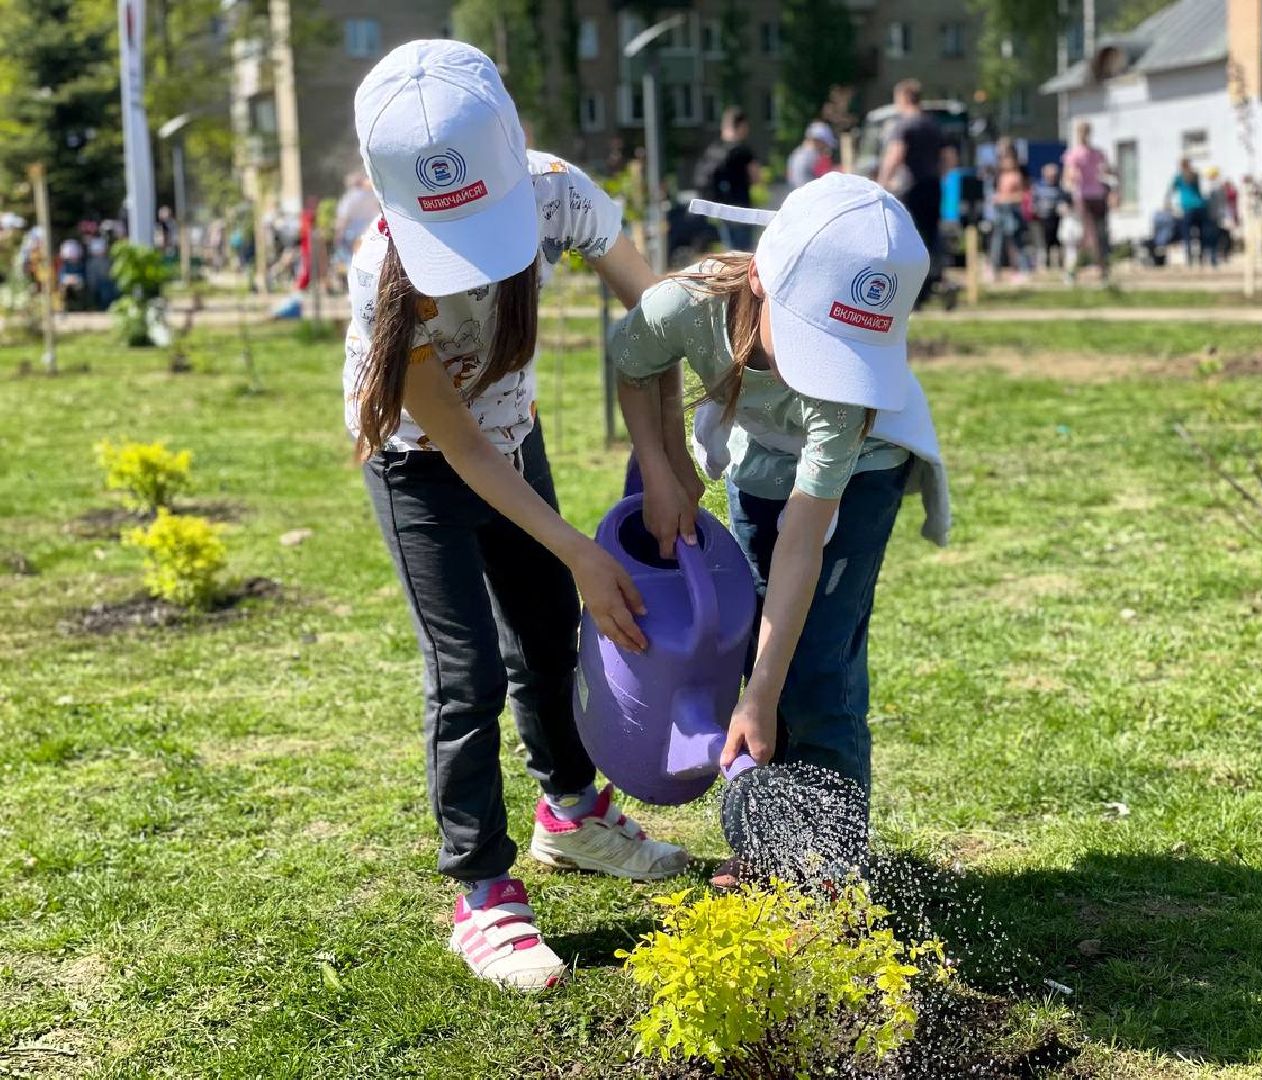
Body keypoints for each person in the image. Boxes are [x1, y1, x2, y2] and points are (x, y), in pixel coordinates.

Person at [345, 40, 693, 992]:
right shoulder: (382, 269)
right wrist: (580, 548)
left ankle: (572, 816)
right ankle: (482, 892)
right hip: (423, 469)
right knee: (465, 678)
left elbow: (657, 317)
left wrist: (671, 459)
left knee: (548, 643)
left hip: (516, 439)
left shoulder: (557, 192)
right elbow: (457, 447)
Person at [610, 172, 950, 882]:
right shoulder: (688, 304)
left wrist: (761, 695)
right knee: (755, 637)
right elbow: (633, 364)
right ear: (760, 279)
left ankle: (830, 869)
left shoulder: (841, 398)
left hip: (859, 476)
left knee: (816, 665)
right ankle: (772, 851)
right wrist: (664, 469)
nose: (816, 370)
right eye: (807, 341)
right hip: (758, 461)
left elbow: (805, 536)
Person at [877, 79, 944, 305]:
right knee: (931, 237)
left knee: (908, 238)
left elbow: (896, 154)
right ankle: (930, 286)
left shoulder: (904, 125)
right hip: (933, 185)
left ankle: (912, 292)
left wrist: (881, 183)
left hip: (910, 187)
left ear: (903, 98)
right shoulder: (932, 125)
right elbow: (949, 157)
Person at [696, 107, 761, 250]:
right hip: (741, 209)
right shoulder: (742, 151)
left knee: (731, 252)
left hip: (722, 209)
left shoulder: (713, 150)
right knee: (744, 254)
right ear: (742, 125)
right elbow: (756, 177)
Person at [1062, 121, 1111, 283]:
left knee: (1100, 234)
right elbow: (1069, 176)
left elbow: (1106, 171)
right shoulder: (1074, 154)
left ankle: (1102, 270)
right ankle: (1073, 270)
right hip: (1083, 197)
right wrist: (1073, 177)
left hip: (1097, 196)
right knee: (1086, 235)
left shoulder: (1097, 153)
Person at [988, 146, 1033, 281]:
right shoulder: (1000, 175)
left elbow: (1023, 194)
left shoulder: (1018, 175)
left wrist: (1006, 198)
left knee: (1017, 240)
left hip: (1013, 210)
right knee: (997, 241)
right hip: (1001, 210)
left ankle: (1023, 269)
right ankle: (995, 270)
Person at [332, 171, 380, 280]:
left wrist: (338, 235)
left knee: (352, 260)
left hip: (352, 232)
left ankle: (353, 284)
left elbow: (343, 218)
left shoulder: (350, 197)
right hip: (369, 230)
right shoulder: (372, 195)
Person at [1170, 158, 1211, 267]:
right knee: (1201, 234)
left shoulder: (1178, 178)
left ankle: (1189, 259)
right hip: (1200, 206)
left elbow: (1172, 189)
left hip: (1188, 208)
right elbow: (1199, 189)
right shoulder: (1195, 175)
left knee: (1187, 234)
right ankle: (1201, 257)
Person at [1029, 162, 1066, 269]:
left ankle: (1059, 265)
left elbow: (1064, 201)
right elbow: (1033, 203)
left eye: (1054, 175)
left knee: (1057, 243)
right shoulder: (1038, 187)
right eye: (1050, 175)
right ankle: (1043, 265)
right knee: (1043, 244)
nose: (1052, 178)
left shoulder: (1060, 189)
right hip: (1042, 219)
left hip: (1057, 219)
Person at [786, 121, 838, 191]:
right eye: (825, 144)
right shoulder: (811, 156)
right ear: (818, 141)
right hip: (809, 196)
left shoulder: (798, 153)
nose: (826, 148)